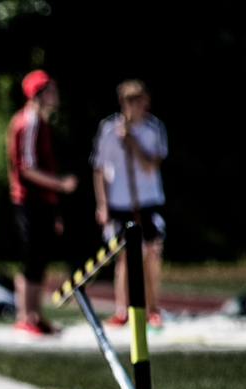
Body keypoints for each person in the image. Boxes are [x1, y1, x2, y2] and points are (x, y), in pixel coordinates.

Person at [6, 69, 79, 337]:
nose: (55, 95)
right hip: (29, 201)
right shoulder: (29, 121)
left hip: (42, 201)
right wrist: (59, 184)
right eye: (50, 90)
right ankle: (26, 316)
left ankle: (34, 316)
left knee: (39, 259)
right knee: (32, 258)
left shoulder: (41, 122)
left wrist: (55, 208)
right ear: (37, 94)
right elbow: (26, 168)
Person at [92, 79, 168, 329]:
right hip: (120, 203)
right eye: (137, 101)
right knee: (123, 258)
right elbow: (99, 169)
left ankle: (152, 307)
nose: (143, 105)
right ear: (125, 103)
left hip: (147, 201)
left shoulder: (153, 128)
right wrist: (101, 204)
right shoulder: (107, 129)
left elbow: (150, 165)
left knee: (152, 254)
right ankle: (122, 309)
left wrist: (132, 142)